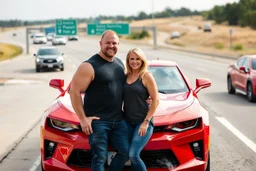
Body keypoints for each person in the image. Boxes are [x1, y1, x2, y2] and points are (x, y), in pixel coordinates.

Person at [69, 30, 129, 171]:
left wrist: (147, 98)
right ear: (100, 43)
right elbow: (74, 92)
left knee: (125, 152)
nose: (111, 46)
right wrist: (83, 119)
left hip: (119, 120)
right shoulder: (89, 66)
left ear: (118, 44)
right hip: (98, 122)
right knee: (99, 157)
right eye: (107, 43)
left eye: (114, 43)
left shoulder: (120, 63)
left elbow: (127, 88)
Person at [123, 48, 159, 171]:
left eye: (137, 59)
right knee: (126, 153)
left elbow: (156, 100)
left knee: (133, 155)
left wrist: (146, 122)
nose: (135, 61)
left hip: (142, 122)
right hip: (127, 122)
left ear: (142, 60)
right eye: (132, 59)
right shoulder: (125, 76)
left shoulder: (146, 76)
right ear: (128, 60)